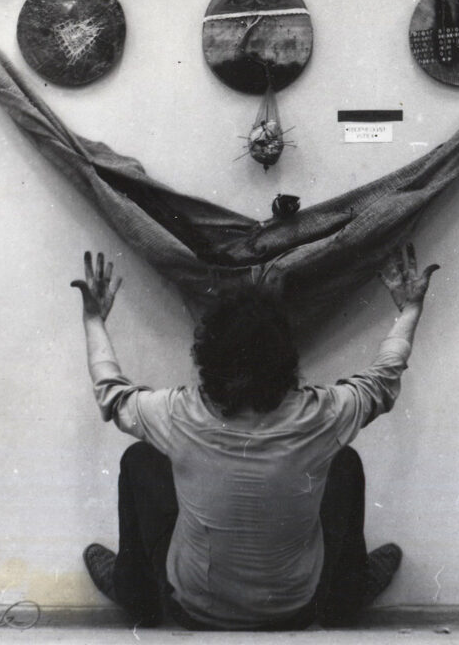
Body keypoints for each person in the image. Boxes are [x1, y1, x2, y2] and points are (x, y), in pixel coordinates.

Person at [72, 244, 439, 631]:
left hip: (194, 611)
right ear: (285, 357)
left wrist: (94, 320)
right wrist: (409, 309)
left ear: (208, 356)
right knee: (343, 462)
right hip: (296, 610)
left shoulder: (179, 414)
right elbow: (382, 380)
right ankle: (346, 596)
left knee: (139, 460)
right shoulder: (320, 416)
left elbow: (112, 393)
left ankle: (135, 594)